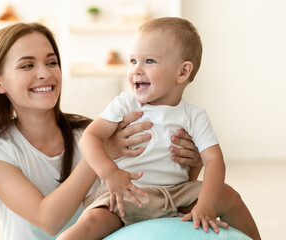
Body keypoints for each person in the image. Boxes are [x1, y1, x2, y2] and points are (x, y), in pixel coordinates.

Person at [0, 22, 203, 240]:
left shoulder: (89, 132)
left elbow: (160, 192)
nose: (45, 73)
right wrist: (102, 153)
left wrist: (192, 162)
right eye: (27, 65)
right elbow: (49, 221)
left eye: (51, 62)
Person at [57, 17, 261, 240]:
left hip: (176, 194)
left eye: (149, 61)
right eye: (133, 61)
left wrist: (205, 204)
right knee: (90, 224)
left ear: (183, 72)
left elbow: (213, 160)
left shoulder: (194, 115)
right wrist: (111, 173)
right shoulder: (125, 104)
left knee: (230, 197)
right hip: (126, 193)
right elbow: (90, 137)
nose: (136, 70)